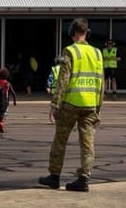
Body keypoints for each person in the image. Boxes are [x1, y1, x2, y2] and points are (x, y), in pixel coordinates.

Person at [39, 18, 104, 193]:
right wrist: (99, 106)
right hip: (91, 105)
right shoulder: (97, 53)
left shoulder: (70, 51)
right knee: (88, 144)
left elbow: (63, 80)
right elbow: (101, 82)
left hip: (71, 104)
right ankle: (84, 178)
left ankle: (54, 176)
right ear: (86, 33)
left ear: (72, 32)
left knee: (60, 140)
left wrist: (55, 104)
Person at [0, 66, 16, 133]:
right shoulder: (8, 83)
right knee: (5, 112)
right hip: (5, 101)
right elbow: (13, 93)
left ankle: (0, 123)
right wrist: (14, 101)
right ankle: (2, 123)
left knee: (1, 113)